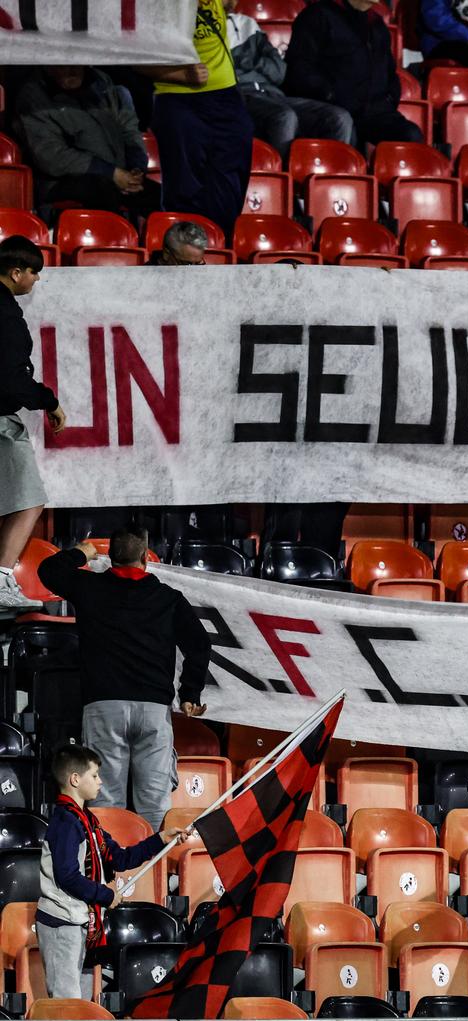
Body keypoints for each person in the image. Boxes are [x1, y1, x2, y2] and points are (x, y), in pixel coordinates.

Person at [41, 529, 214, 830]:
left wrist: (81, 553)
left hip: (104, 707)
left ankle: (111, 876)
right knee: (155, 804)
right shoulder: (168, 599)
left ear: (110, 559)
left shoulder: (89, 587)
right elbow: (199, 644)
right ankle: (152, 874)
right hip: (153, 710)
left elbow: (48, 570)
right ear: (146, 558)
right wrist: (189, 694)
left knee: (105, 803)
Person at [37, 745, 183, 1000]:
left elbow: (120, 857)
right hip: (62, 923)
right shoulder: (66, 823)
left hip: (82, 923)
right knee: (66, 1001)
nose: (100, 781)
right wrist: (104, 895)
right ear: (74, 779)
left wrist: (160, 839)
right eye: (94, 775)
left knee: (81, 1001)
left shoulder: (88, 821)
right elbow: (67, 876)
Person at [146, 0, 255, 233]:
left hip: (227, 99)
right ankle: (184, 258)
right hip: (179, 101)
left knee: (229, 186)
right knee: (185, 189)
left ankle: (220, 248)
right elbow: (135, 62)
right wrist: (180, 74)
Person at [0, 237, 64, 611]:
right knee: (29, 501)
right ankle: (2, 578)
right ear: (16, 272)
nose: (37, 279)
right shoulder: (5, 315)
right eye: (34, 272)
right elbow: (12, 380)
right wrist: (48, 401)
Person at [13, 66, 160, 221]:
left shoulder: (101, 82)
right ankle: (111, 242)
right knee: (103, 189)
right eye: (66, 65)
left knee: (159, 196)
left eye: (78, 64)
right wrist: (110, 172)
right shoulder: (33, 95)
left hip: (117, 173)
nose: (73, 70)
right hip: (62, 182)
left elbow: (128, 128)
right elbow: (50, 156)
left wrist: (136, 167)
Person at [283, 0, 423, 149]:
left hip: (376, 110)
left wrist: (390, 98)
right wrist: (330, 95)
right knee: (346, 130)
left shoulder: (376, 23)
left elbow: (390, 71)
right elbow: (300, 68)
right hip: (336, 108)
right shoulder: (319, 15)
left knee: (410, 134)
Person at [227, 10, 353, 158]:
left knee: (339, 117)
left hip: (273, 94)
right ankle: (284, 176)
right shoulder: (201, 29)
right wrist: (256, 63)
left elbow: (279, 72)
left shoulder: (247, 23)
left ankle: (333, 177)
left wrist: (242, 60)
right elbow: (226, 71)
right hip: (241, 95)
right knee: (284, 116)